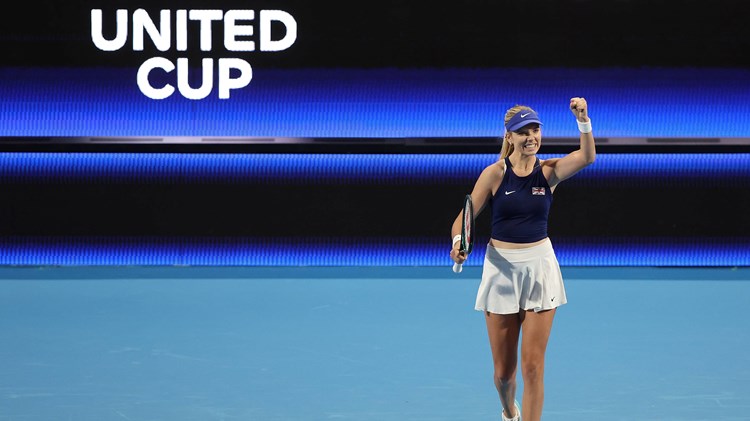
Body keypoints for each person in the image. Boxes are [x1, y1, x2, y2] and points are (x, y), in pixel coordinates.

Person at [450, 98, 595, 421]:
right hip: (500, 271)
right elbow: (464, 217)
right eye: (523, 131)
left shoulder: (550, 172)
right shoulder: (494, 174)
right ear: (509, 137)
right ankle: (507, 410)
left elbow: (587, 156)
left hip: (540, 268)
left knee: (532, 367)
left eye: (535, 129)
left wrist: (582, 119)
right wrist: (459, 241)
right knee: (504, 374)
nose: (531, 136)